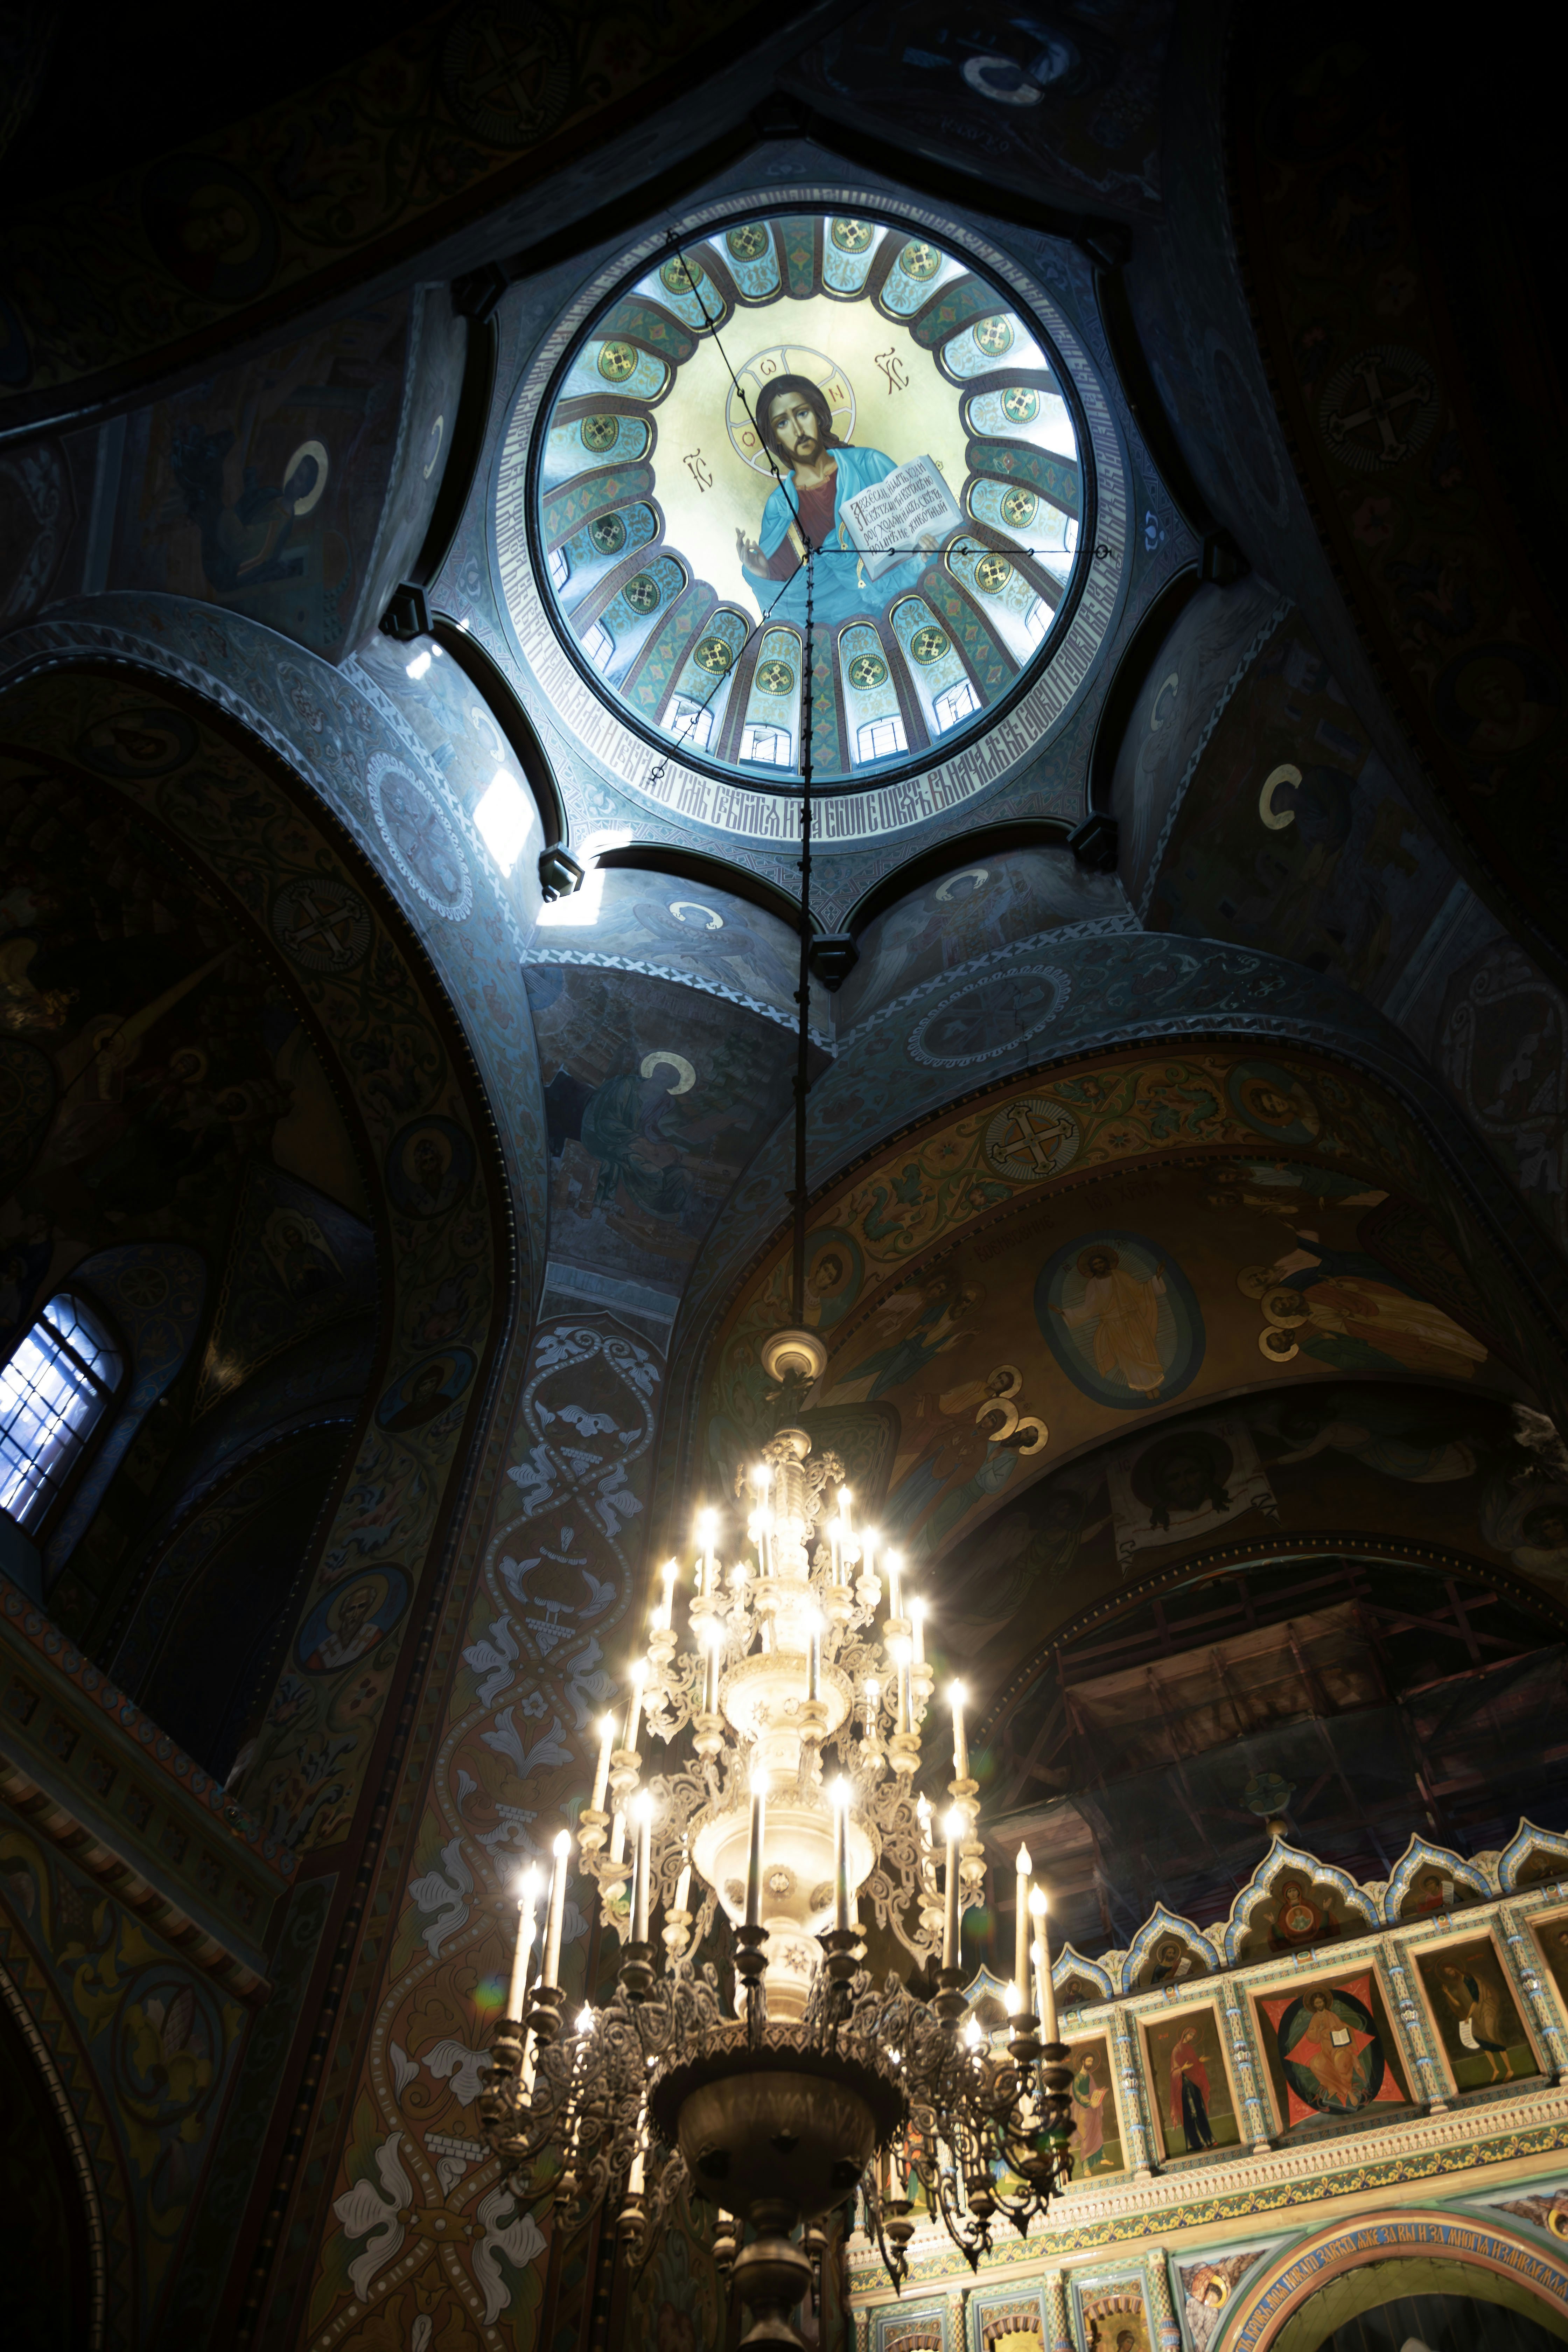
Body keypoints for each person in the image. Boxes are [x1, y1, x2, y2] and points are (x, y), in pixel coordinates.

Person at [735, 376, 936, 631]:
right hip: (842, 629)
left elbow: (923, 524)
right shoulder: (780, 506)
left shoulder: (869, 464)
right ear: (775, 437)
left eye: (802, 414)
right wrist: (763, 574)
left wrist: (928, 548)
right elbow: (787, 600)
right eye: (782, 423)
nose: (798, 430)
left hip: (909, 598)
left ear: (818, 415)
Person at [1052, 1245, 1168, 1398]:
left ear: (1106, 1263)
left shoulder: (1120, 1275)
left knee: (1144, 1349)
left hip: (1133, 1320)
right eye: (1096, 1265)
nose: (1099, 1266)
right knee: (1126, 1357)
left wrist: (1157, 1278)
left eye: (1101, 1263)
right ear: (1092, 1268)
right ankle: (1145, 1388)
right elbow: (1089, 1308)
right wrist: (1066, 1313)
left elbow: (1138, 1291)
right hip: (1114, 1325)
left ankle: (1154, 1383)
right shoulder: (1093, 1285)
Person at [1169, 2023, 1215, 2150]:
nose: (1191, 2038)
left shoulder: (1189, 2048)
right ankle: (1196, 2144)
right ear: (1185, 2034)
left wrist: (1199, 2062)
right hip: (1185, 2086)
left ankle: (1209, 2140)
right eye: (1190, 2035)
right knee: (1191, 2113)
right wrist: (1182, 2069)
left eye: (1193, 2036)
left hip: (1193, 2085)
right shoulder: (1177, 2050)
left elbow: (1194, 2065)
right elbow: (1174, 2072)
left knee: (1199, 2110)